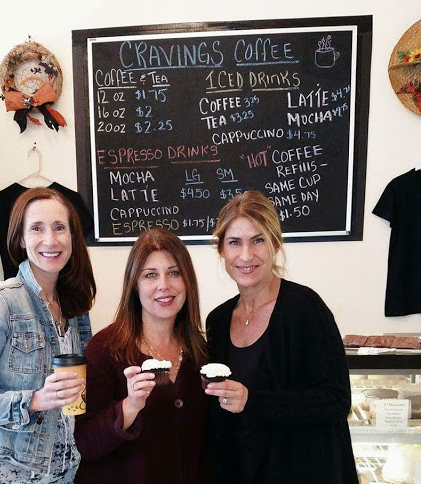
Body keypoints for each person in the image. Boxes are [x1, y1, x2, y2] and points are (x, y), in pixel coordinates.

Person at [205, 190, 358, 483]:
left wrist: (253, 400)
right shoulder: (218, 320)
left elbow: (337, 401)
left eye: (258, 240)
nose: (246, 255)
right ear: (221, 249)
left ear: (275, 243)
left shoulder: (305, 308)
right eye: (234, 242)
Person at [0, 187, 96, 483]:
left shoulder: (75, 308)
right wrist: (34, 400)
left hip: (66, 473)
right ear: (20, 238)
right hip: (9, 474)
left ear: (72, 237)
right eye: (37, 228)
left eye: (59, 228)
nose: (50, 240)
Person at [74, 228, 208, 484]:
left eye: (174, 272)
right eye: (150, 275)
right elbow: (85, 443)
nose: (164, 285)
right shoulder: (104, 349)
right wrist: (129, 406)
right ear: (134, 285)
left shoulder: (199, 351)